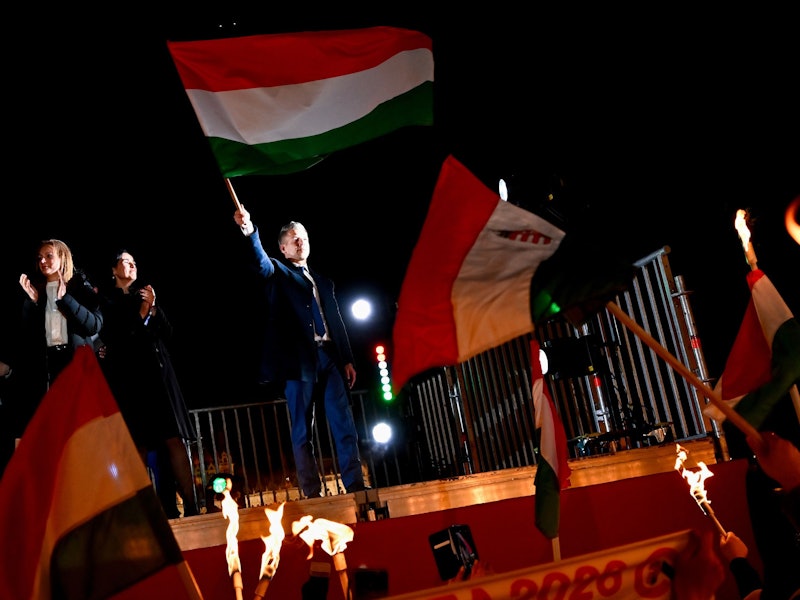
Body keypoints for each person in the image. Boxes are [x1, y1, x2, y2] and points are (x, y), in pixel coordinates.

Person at [233, 205, 367, 498]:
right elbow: (261, 263)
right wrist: (249, 230)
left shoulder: (324, 282)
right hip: (299, 362)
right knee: (302, 429)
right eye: (294, 239)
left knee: (343, 423)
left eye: (303, 237)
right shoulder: (279, 272)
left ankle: (355, 483)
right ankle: (311, 489)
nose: (300, 241)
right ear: (283, 248)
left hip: (329, 357)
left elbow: (336, 321)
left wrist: (347, 359)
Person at [95, 249, 198, 518]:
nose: (131, 265)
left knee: (172, 439)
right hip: (130, 381)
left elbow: (167, 333)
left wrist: (153, 308)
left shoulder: (145, 295)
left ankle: (192, 505)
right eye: (125, 262)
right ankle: (145, 514)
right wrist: (141, 314)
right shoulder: (107, 301)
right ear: (114, 270)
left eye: (134, 262)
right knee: (137, 444)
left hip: (158, 378)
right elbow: (118, 337)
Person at [16, 239, 103, 435]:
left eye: (49, 256)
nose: (43, 261)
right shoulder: (37, 291)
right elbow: (28, 338)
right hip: (49, 368)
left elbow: (94, 325)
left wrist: (66, 299)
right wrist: (34, 304)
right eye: (40, 258)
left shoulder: (79, 286)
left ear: (63, 257)